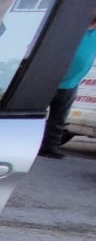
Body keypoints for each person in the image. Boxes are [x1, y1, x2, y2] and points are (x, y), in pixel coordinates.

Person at [39, 9, 96, 159]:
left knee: (59, 118)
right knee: (35, 114)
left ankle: (49, 147)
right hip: (49, 79)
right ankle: (22, 143)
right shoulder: (75, 27)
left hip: (71, 82)